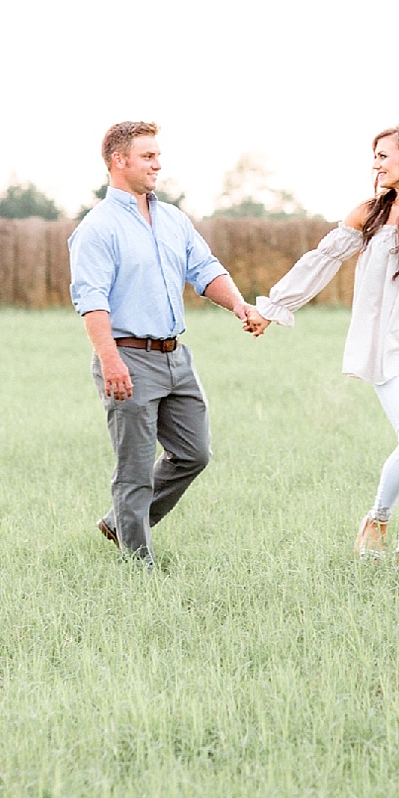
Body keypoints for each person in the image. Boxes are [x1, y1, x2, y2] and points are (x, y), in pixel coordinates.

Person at [244, 122, 399, 569]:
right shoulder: (368, 214)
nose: (375, 164)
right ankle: (378, 518)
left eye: (383, 155)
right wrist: (273, 307)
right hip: (384, 342)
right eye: (374, 156)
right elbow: (321, 262)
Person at [69, 121, 263, 565]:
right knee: (134, 471)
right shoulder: (98, 228)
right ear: (119, 162)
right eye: (148, 156)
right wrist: (110, 360)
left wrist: (239, 306)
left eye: (158, 155)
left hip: (176, 357)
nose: (158, 164)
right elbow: (92, 300)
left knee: (194, 453)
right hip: (128, 357)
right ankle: (139, 567)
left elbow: (205, 270)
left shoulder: (173, 219)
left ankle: (120, 523)